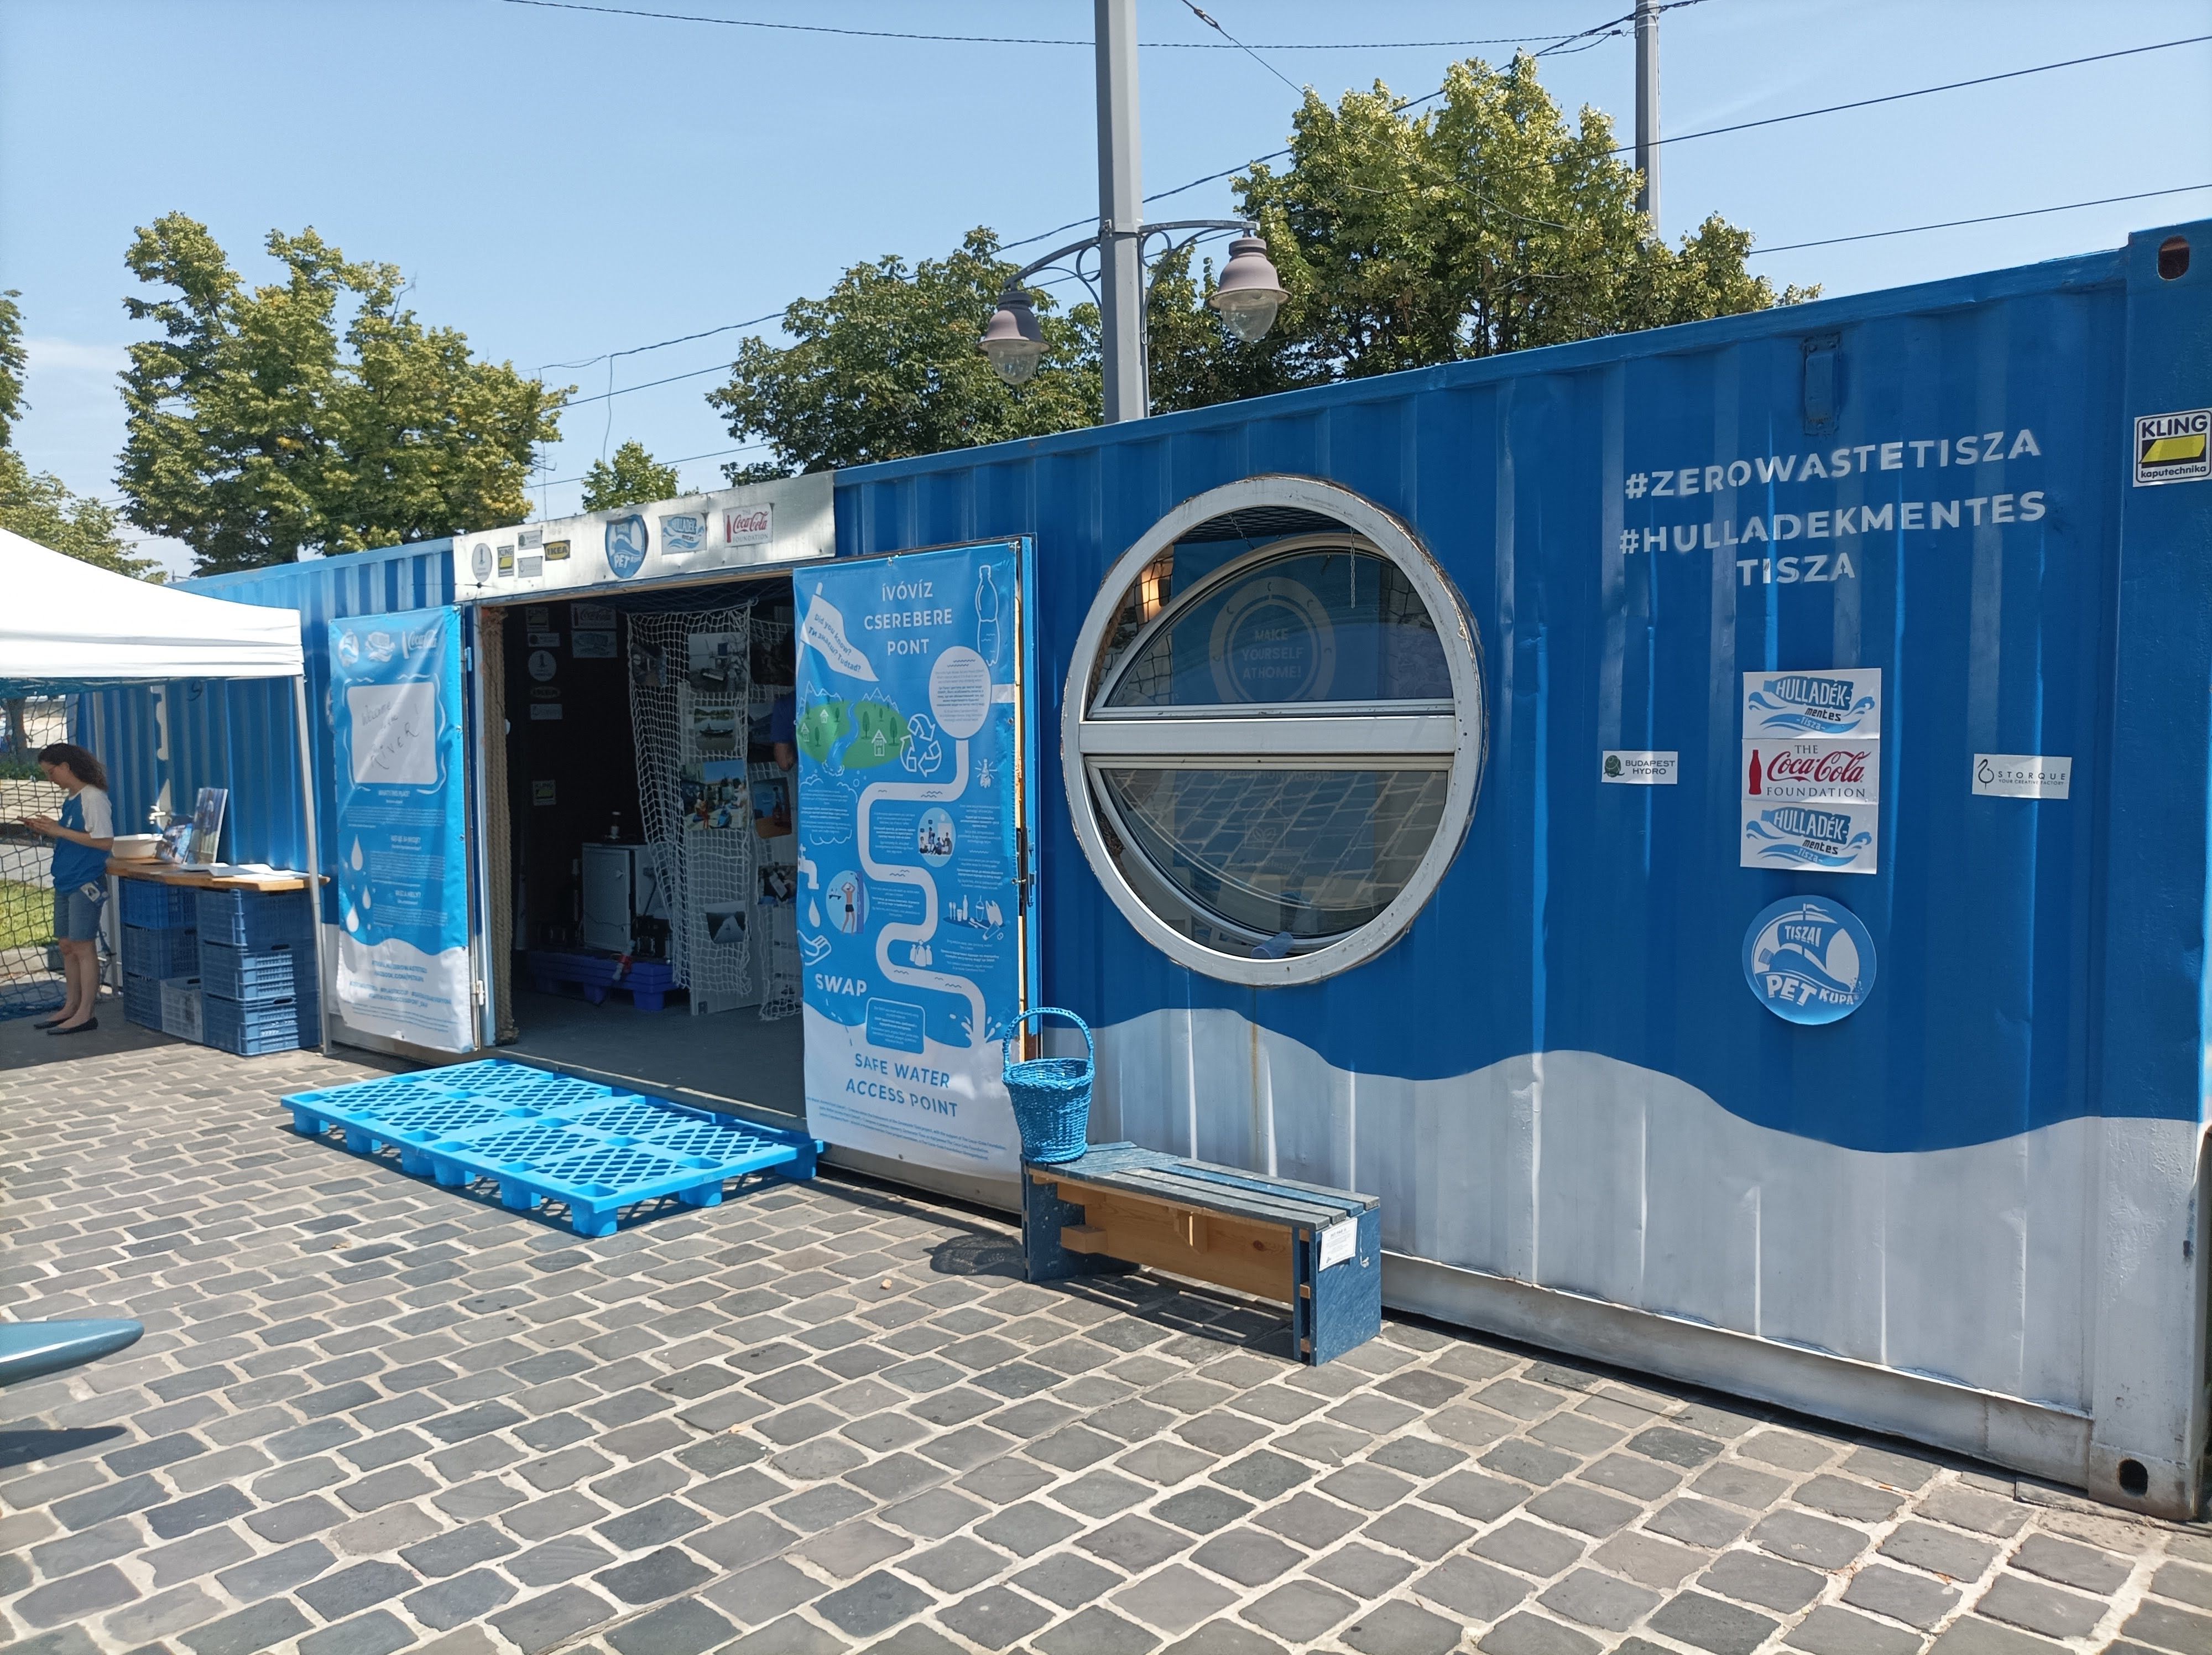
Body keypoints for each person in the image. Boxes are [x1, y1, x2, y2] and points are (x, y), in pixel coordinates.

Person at [21, 742, 114, 1035]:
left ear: (66, 767)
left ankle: (86, 1012)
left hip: (85, 881)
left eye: (51, 772)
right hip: (66, 879)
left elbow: (104, 841)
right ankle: (71, 1005)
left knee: (83, 946)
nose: (50, 779)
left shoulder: (93, 797)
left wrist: (58, 830)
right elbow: (76, 837)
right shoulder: (73, 798)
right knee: (67, 946)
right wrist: (50, 829)